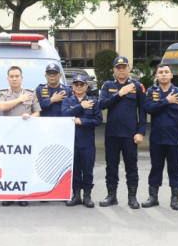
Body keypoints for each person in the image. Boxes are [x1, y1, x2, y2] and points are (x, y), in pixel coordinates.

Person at [98, 56, 147, 209]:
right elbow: (101, 105)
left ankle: (132, 197)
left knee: (131, 167)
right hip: (112, 134)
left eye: (124, 67)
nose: (121, 70)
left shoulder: (137, 86)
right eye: (118, 67)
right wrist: (120, 93)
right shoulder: (107, 85)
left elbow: (143, 111)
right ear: (114, 69)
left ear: (128, 68)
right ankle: (111, 196)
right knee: (111, 167)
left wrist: (141, 132)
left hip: (130, 135)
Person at [142, 64, 178, 210]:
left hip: (174, 139)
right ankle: (153, 197)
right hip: (157, 138)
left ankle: (175, 198)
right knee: (156, 167)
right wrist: (166, 101)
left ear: (171, 75)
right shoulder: (152, 92)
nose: (163, 74)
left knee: (174, 168)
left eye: (166, 72)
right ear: (156, 76)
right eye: (160, 72)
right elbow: (149, 109)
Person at [0, 66, 41, 207]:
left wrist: (30, 117)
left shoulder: (31, 93)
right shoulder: (2, 93)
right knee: (9, 165)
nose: (14, 79)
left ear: (22, 78)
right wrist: (19, 99)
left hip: (26, 136)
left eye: (17, 76)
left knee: (24, 165)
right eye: (12, 76)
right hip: (8, 135)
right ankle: (9, 194)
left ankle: (23, 194)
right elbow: (2, 107)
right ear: (8, 78)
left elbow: (37, 112)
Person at [61, 74, 102, 207]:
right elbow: (65, 115)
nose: (79, 87)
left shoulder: (93, 101)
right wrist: (81, 107)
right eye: (76, 84)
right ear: (72, 87)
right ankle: (76, 195)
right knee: (75, 169)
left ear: (86, 87)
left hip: (87, 141)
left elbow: (98, 120)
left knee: (88, 169)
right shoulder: (68, 100)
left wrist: (82, 121)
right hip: (72, 141)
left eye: (81, 84)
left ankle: (87, 196)